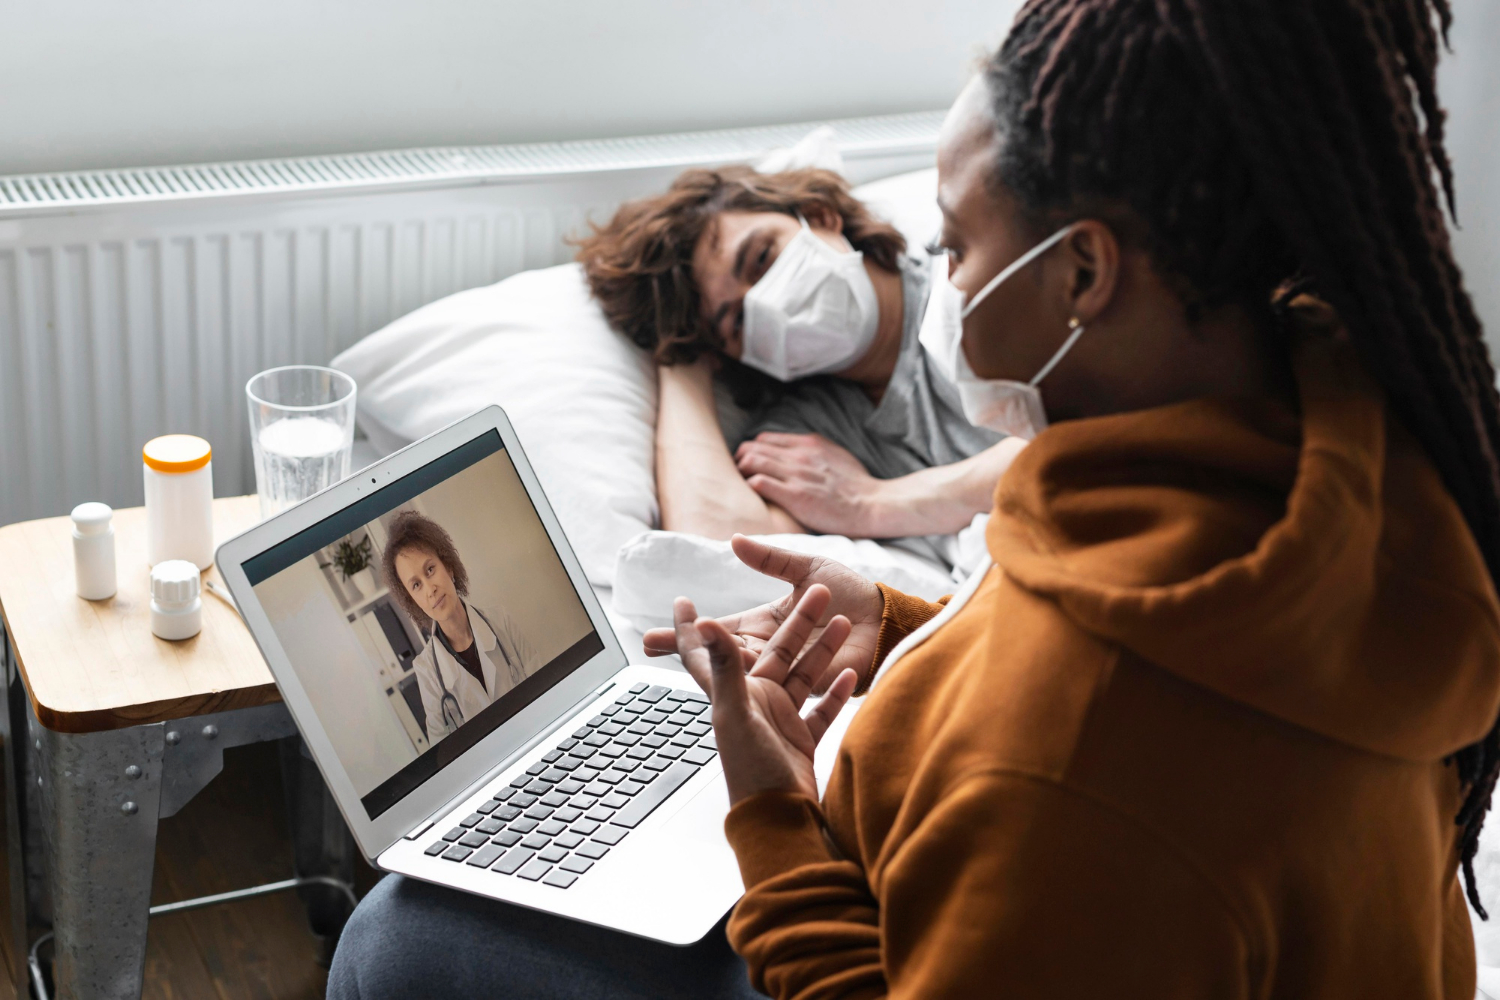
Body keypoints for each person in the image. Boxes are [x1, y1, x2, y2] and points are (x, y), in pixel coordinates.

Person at [330, 1, 1500, 996]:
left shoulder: (1068, 754)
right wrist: (907, 628)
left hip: (883, 902)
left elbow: (1066, 757)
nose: (950, 279)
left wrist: (775, 817)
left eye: (962, 244)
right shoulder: (1367, 477)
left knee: (394, 945)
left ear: (1084, 273)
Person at [575, 166, 1027, 564]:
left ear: (818, 214)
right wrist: (679, 357)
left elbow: (1082, 434)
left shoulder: (969, 274)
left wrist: (872, 502)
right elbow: (716, 548)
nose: (767, 302)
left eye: (761, 258)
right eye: (734, 321)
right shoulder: (811, 434)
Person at [381, 510, 539, 743]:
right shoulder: (427, 672)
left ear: (449, 567)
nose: (429, 589)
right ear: (412, 600)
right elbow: (444, 753)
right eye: (416, 585)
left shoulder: (500, 621)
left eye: (430, 570)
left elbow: (544, 686)